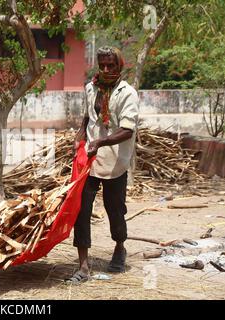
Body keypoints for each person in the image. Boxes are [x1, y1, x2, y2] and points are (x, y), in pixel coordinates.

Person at [67, 46, 139, 284]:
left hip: (116, 161)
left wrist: (101, 141)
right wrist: (80, 138)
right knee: (81, 209)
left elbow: (127, 130)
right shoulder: (90, 88)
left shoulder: (128, 93)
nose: (106, 70)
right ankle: (83, 265)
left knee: (115, 208)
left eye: (111, 65)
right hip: (90, 159)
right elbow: (88, 117)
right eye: (102, 65)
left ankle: (119, 247)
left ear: (120, 66)